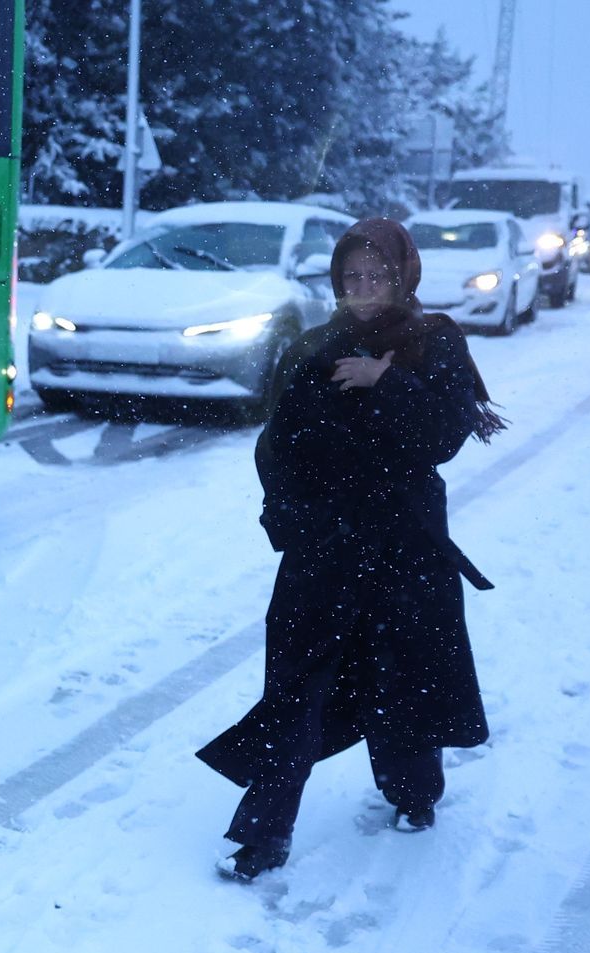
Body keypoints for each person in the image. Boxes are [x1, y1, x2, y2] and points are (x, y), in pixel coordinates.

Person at [197, 217, 506, 882]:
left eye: (376, 275)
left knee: (404, 677)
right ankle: (263, 835)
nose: (362, 287)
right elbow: (279, 443)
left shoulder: (434, 339)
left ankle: (414, 795)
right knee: (294, 689)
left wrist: (385, 382)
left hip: (405, 542)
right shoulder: (314, 345)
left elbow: (444, 435)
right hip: (325, 545)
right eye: (350, 276)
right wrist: (287, 515)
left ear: (402, 276)